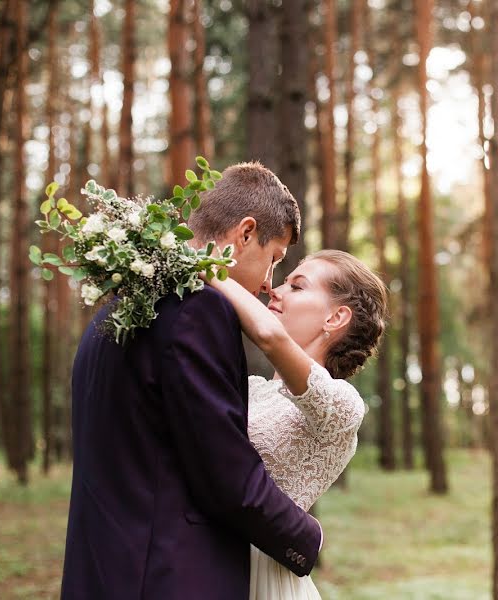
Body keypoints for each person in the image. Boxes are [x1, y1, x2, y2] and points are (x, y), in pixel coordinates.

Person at [61, 163, 322, 599]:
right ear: (244, 233)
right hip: (167, 577)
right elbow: (225, 473)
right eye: (273, 259)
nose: (268, 284)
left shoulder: (119, 307)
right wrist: (308, 537)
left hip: (103, 570)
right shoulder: (198, 312)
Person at [203, 249, 387, 600]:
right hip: (208, 559)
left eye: (297, 286)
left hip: (263, 574)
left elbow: (269, 336)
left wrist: (204, 267)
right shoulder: (252, 390)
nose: (276, 291)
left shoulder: (344, 406)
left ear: (335, 318)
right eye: (283, 282)